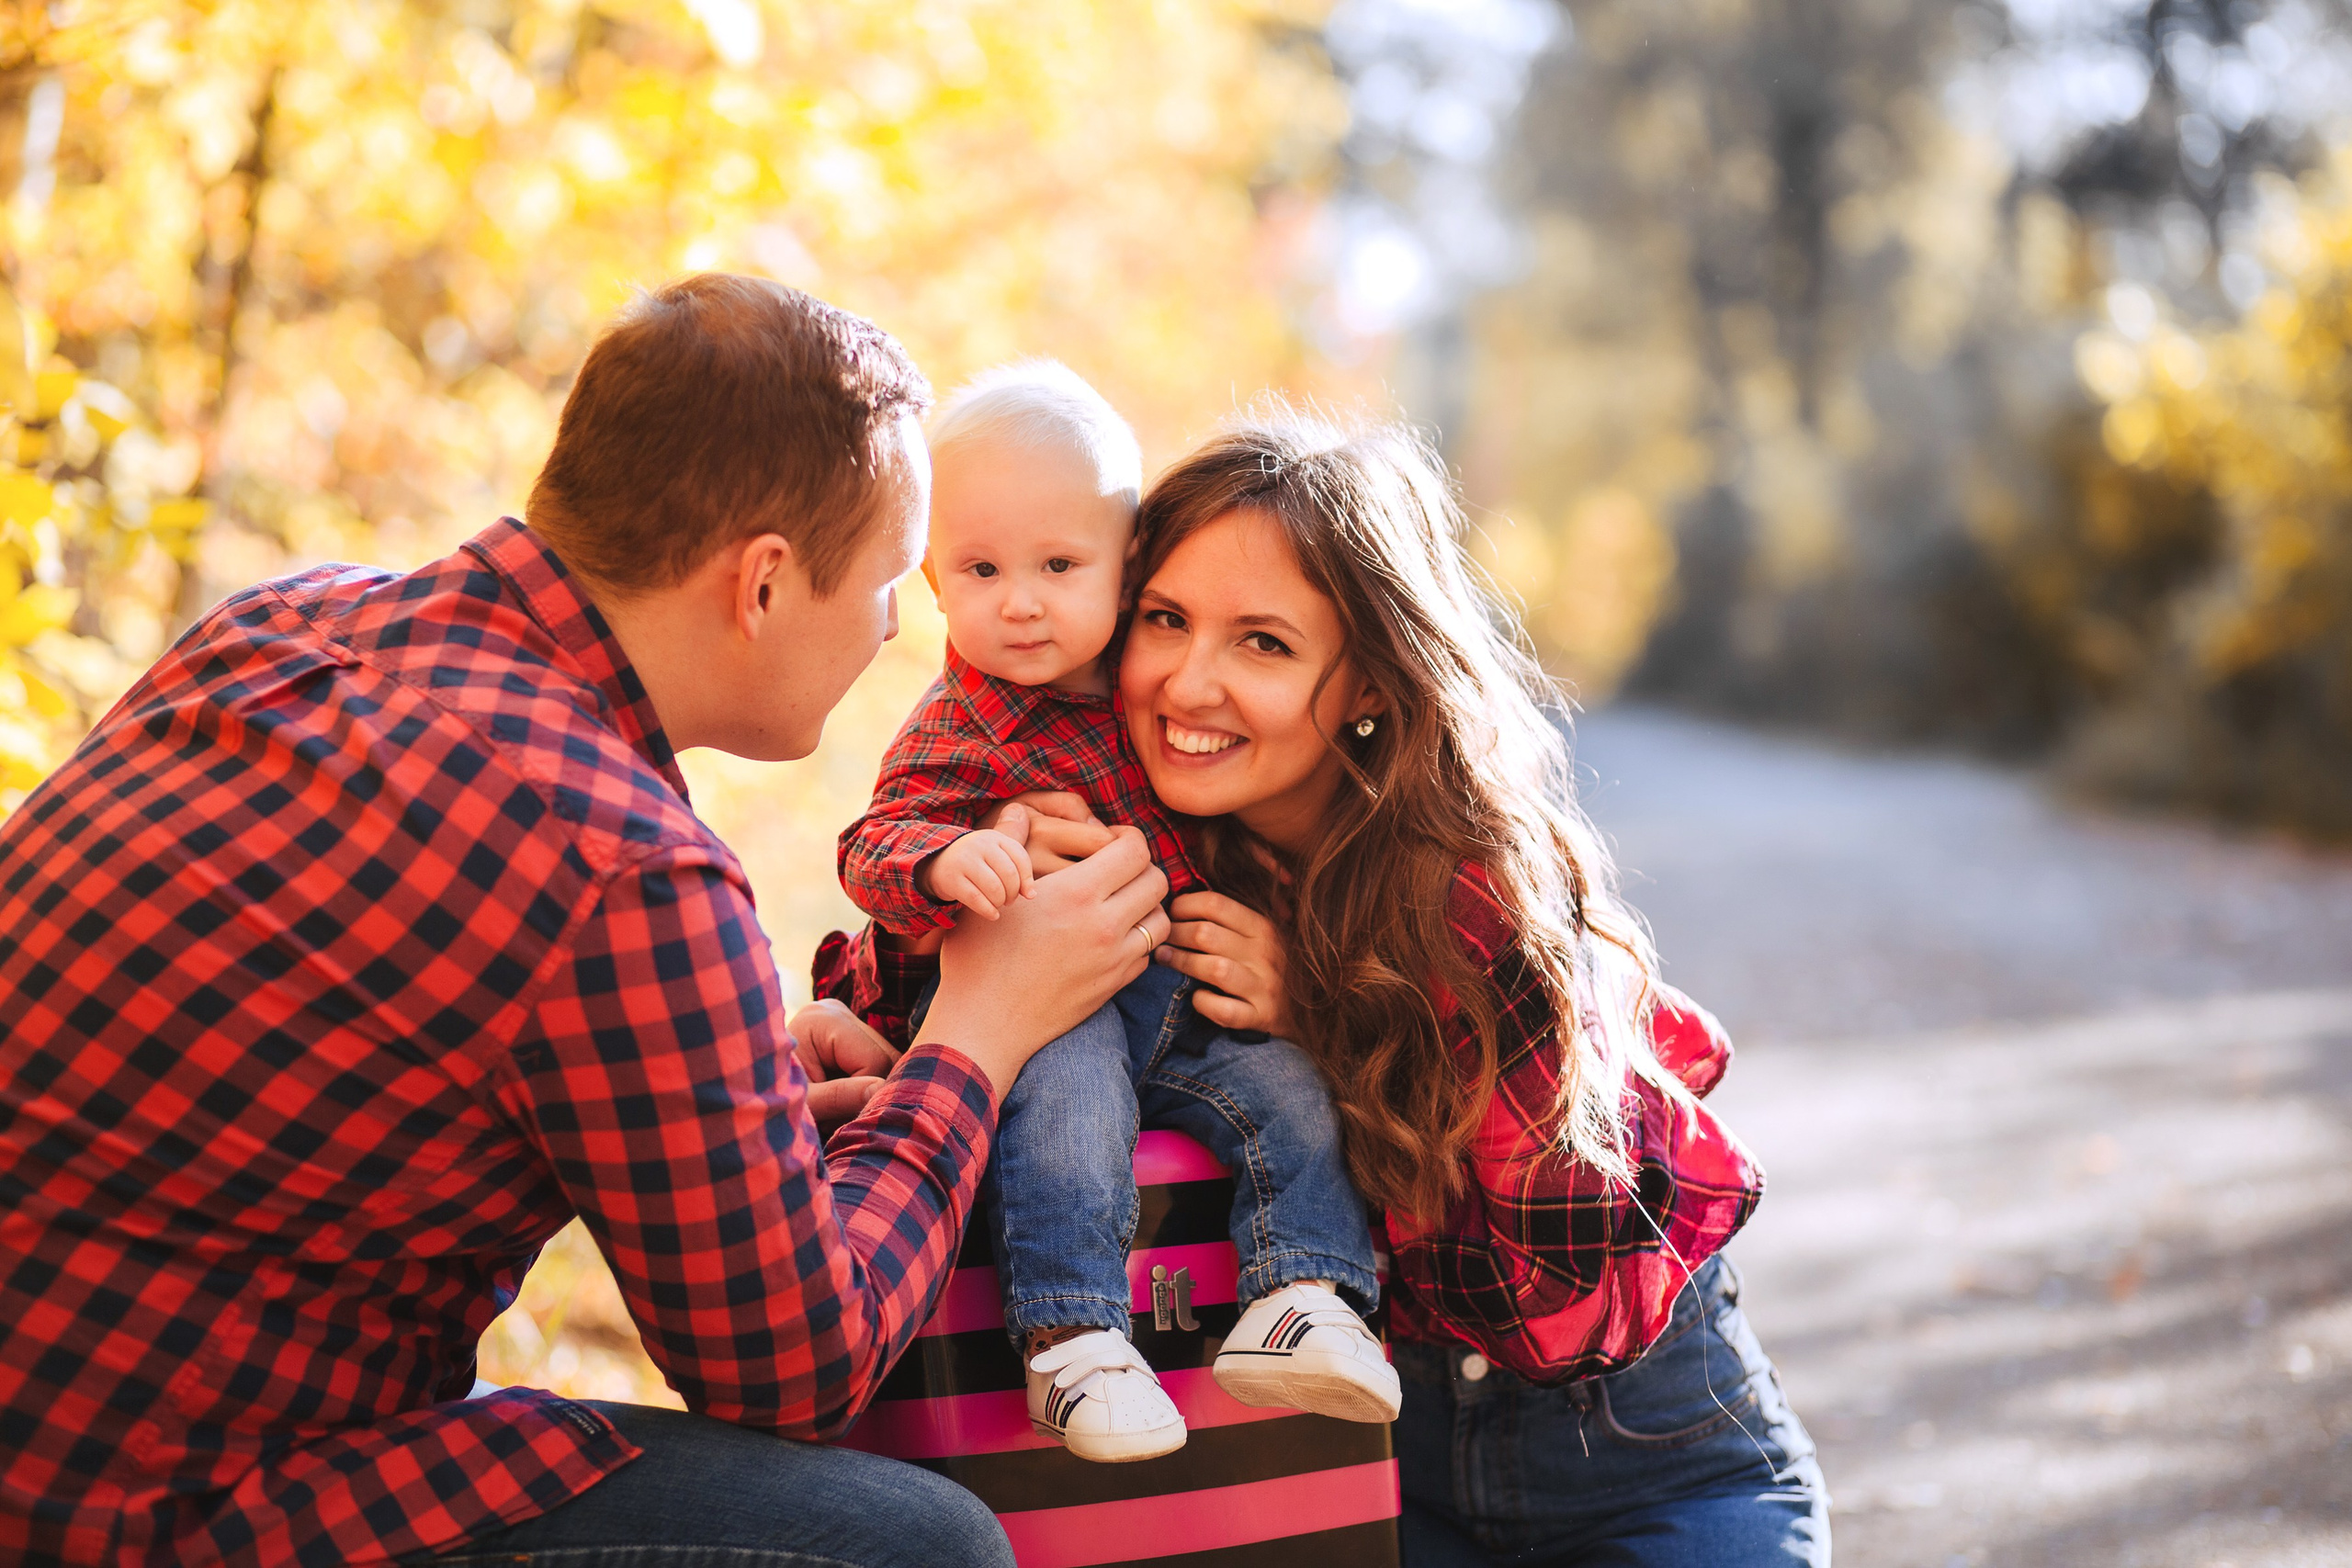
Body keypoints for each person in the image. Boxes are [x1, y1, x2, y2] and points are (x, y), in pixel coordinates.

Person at [0, 275, 1172, 1568]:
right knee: (916, 1546)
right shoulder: (626, 868)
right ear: (764, 583)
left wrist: (739, 1085)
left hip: (71, 1417)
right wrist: (976, 1035)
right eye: (893, 578)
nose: (900, 622)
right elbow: (798, 1365)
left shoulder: (277, 630)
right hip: (157, 1507)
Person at [934, 411, 1832, 1564]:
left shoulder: (1474, 890)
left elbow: (1546, 1307)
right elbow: (969, 958)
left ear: (1364, 681)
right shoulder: (1137, 828)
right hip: (1366, 1473)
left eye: (1262, 644)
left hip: (1643, 1466)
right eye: (1164, 619)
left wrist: (1319, 1015)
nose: (1187, 683)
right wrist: (881, 1011)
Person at [833, 363, 1396, 1464]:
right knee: (1074, 1104)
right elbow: (872, 844)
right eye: (982, 570)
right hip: (1056, 1011)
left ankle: (1304, 1298)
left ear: (1123, 568)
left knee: (1286, 1088)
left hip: (1178, 1010)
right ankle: (1073, 1335)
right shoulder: (961, 726)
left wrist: (1294, 974)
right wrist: (958, 858)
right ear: (936, 587)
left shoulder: (1146, 701)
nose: (1023, 599)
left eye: (1059, 565)